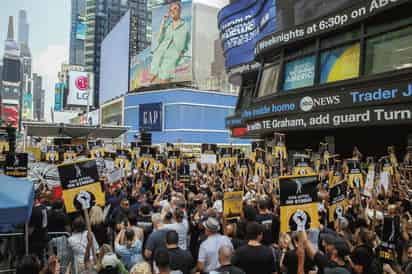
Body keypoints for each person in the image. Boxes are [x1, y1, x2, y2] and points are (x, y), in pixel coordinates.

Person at [150, 1, 190, 83]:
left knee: (163, 81)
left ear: (180, 11)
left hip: (172, 57)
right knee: (149, 81)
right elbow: (159, 39)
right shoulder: (168, 25)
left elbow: (187, 41)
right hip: (159, 54)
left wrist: (182, 52)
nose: (173, 11)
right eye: (171, 9)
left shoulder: (185, 25)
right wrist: (163, 22)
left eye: (175, 8)